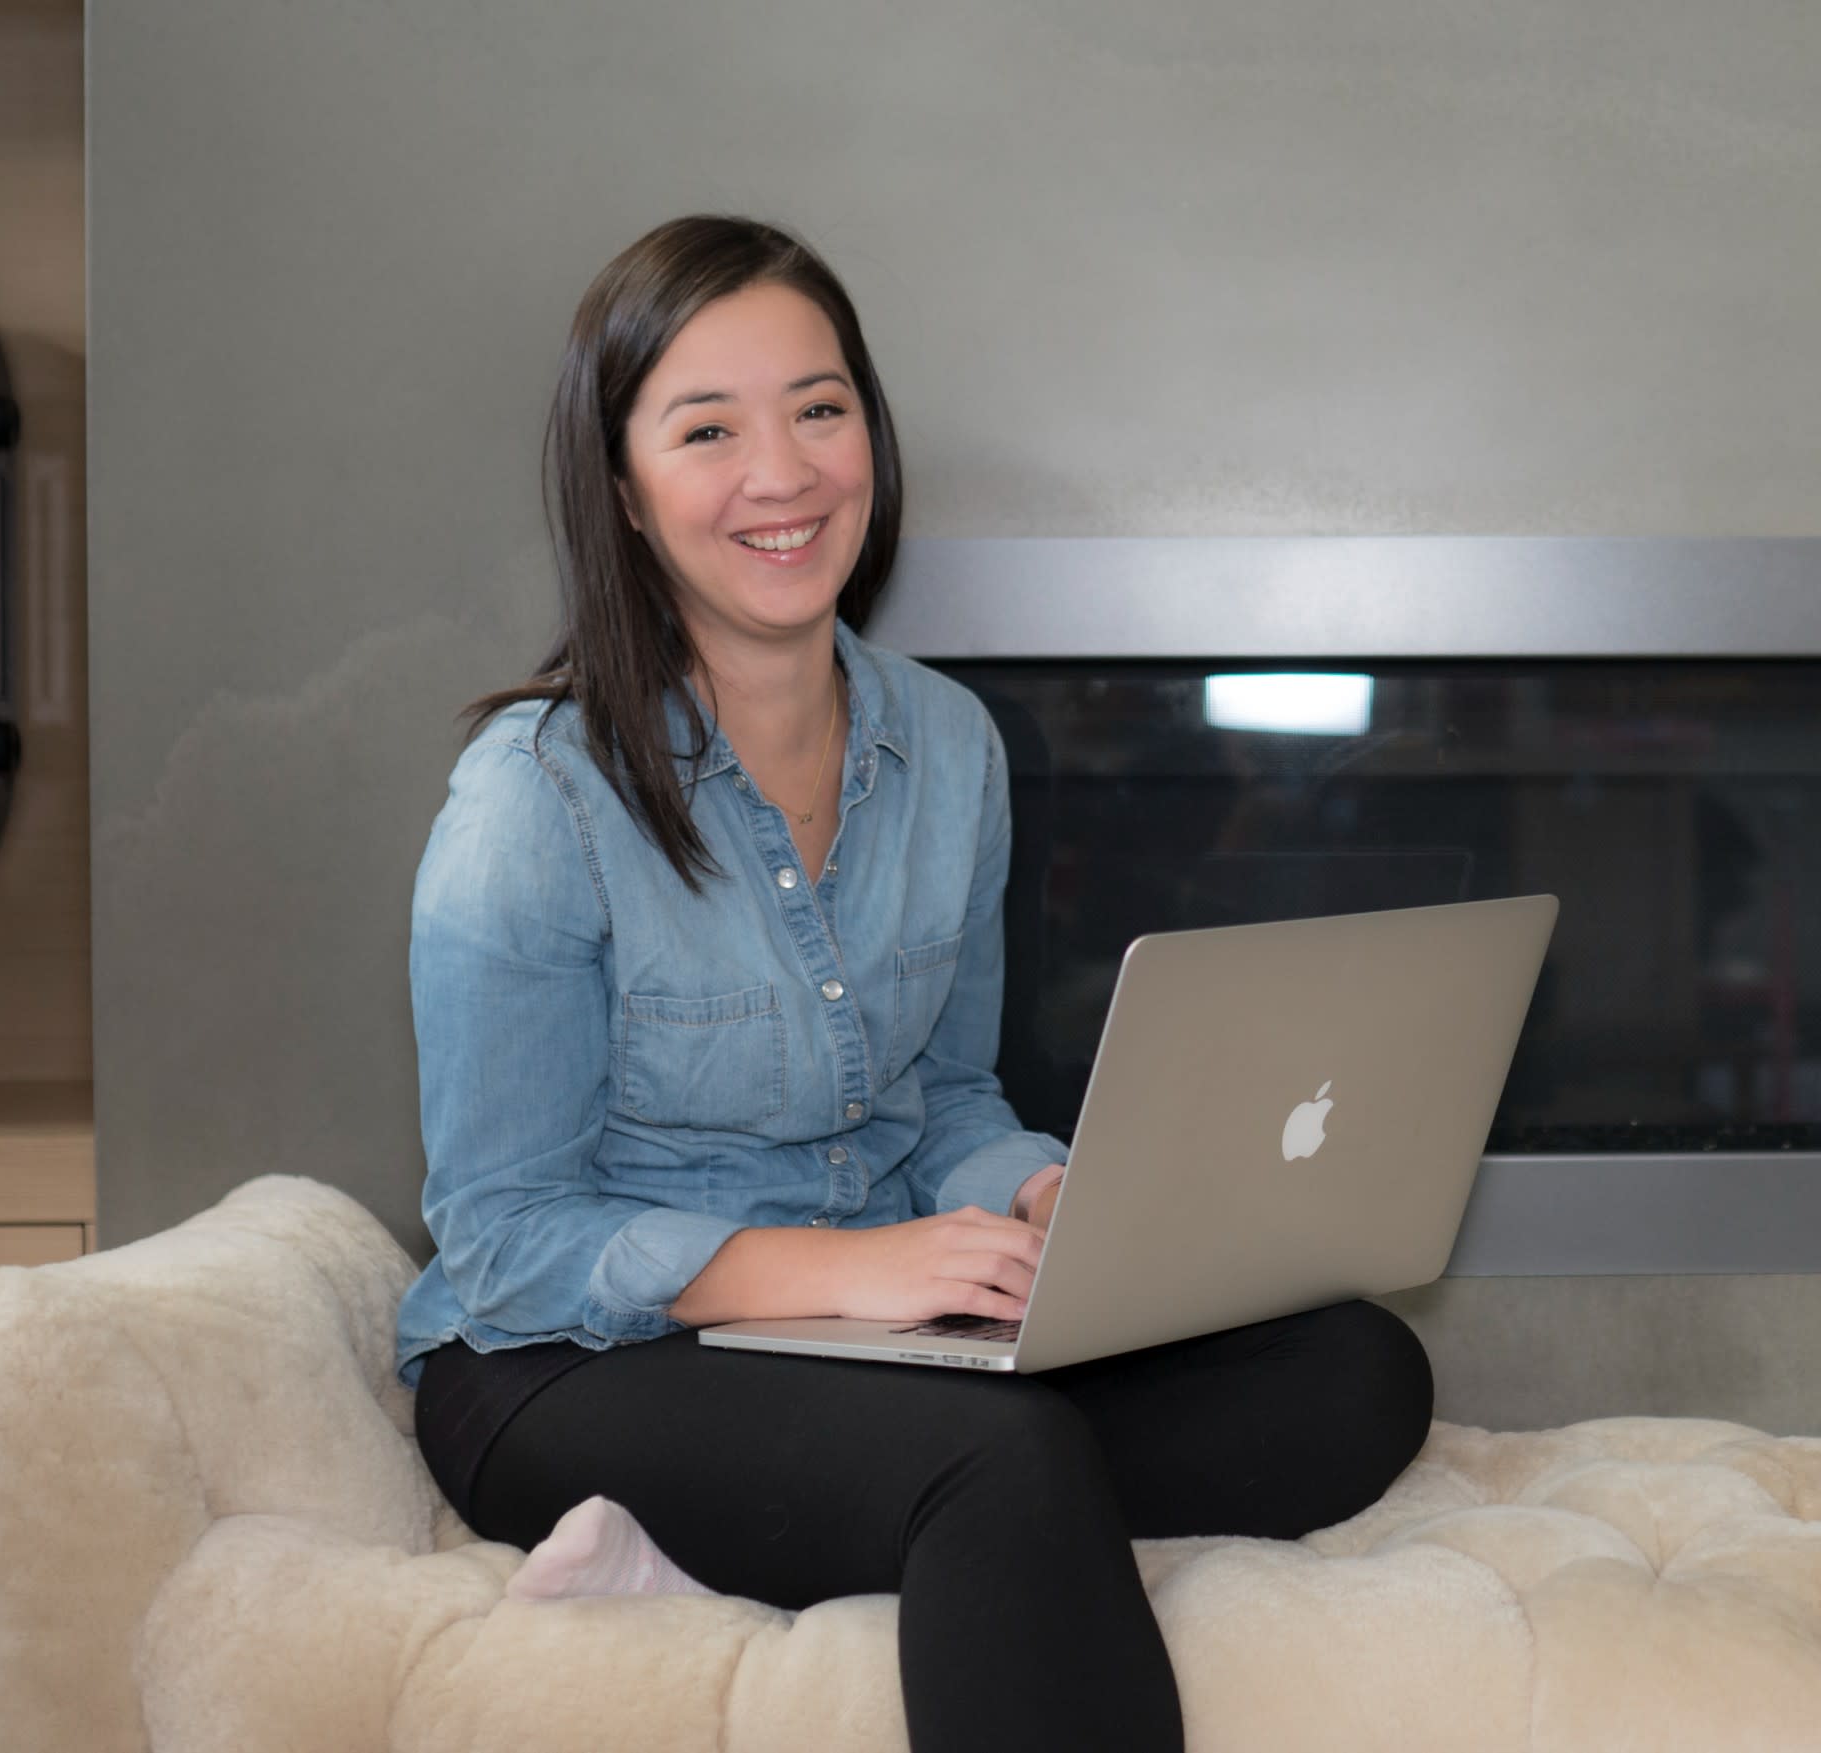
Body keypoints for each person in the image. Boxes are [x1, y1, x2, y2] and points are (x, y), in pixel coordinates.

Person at [390, 214, 1435, 1753]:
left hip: (869, 1338)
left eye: (820, 408)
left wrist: (1040, 1200)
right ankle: (941, 1492)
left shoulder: (948, 744)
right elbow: (504, 1238)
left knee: (1356, 1373)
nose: (784, 472)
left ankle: (804, 1517)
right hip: (561, 1364)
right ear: (620, 486)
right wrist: (836, 1270)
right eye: (706, 428)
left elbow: (949, 1097)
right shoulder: (531, 802)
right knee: (1002, 1460)